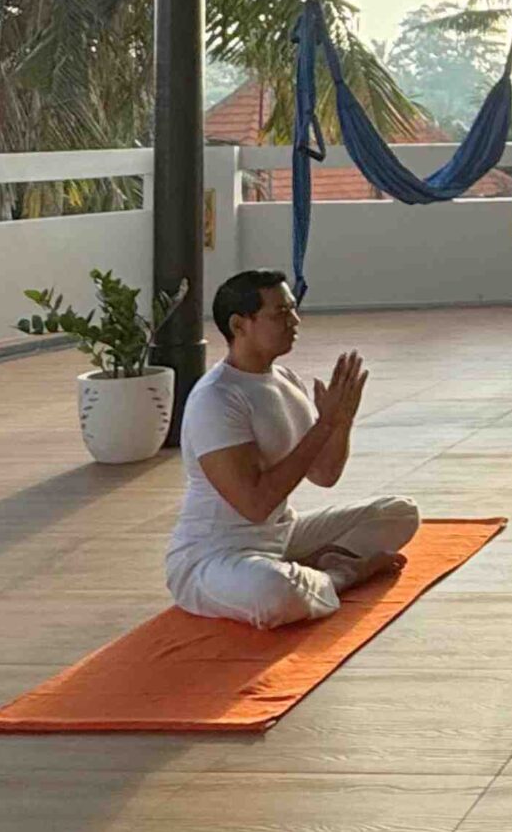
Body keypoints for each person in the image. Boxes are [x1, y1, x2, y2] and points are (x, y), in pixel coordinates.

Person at [166, 269, 419, 630]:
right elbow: (254, 505)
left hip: (282, 536)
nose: (295, 321)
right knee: (274, 593)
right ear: (240, 325)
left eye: (293, 310)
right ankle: (340, 576)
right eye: (281, 313)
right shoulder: (216, 399)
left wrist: (341, 421)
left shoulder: (285, 380)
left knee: (399, 513)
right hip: (213, 557)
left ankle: (309, 569)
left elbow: (325, 474)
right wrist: (324, 426)